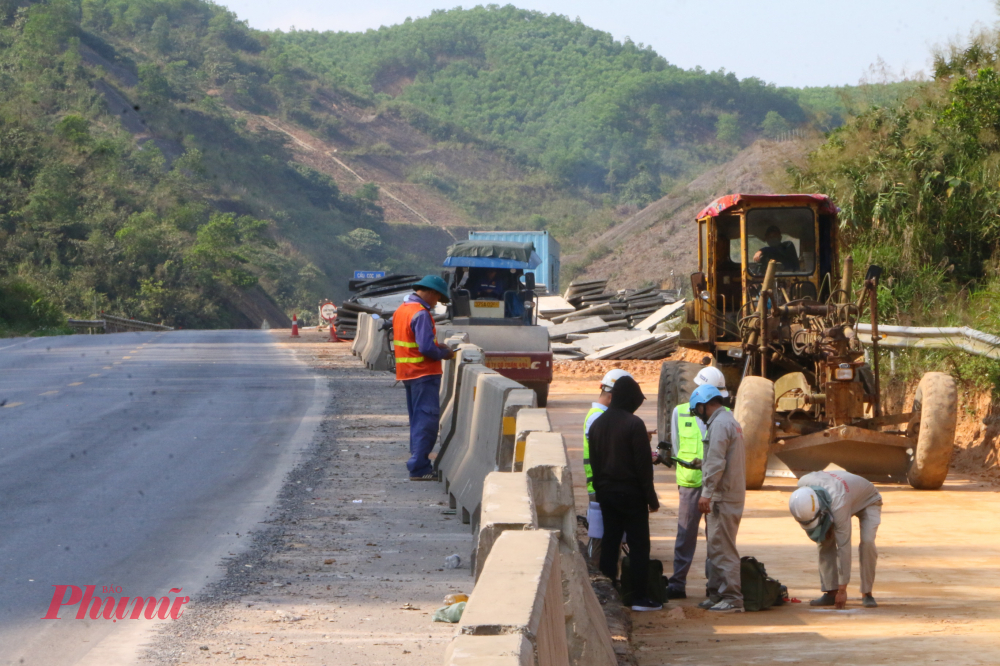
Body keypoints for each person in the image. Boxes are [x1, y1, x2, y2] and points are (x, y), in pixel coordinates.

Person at [589, 375, 662, 612]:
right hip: (632, 496)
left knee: (610, 542)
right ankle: (639, 597)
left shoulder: (597, 424)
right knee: (639, 545)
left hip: (606, 494)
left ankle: (609, 592)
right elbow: (643, 468)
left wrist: (601, 491)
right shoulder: (634, 424)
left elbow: (595, 462)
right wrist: (651, 499)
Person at [663, 366, 729, 600]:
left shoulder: (724, 415)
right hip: (690, 484)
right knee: (686, 535)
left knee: (716, 538)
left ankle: (714, 585)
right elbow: (677, 446)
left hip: (716, 486)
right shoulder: (680, 412)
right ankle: (678, 583)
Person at [391, 275, 455, 481]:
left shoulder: (402, 310)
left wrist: (437, 346)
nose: (436, 303)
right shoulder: (421, 313)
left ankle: (417, 462)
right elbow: (426, 348)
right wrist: (444, 353)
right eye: (437, 298)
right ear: (431, 292)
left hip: (408, 372)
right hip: (423, 373)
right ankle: (419, 467)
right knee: (426, 421)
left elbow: (413, 340)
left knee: (417, 420)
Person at [789, 470, 883, 609]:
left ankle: (867, 593)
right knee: (824, 540)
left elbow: (844, 546)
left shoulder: (838, 504)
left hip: (868, 500)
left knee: (867, 542)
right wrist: (824, 526)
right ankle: (830, 592)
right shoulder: (803, 486)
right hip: (845, 494)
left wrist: (842, 590)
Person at [691, 384, 746, 613]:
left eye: (698, 410)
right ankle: (716, 594)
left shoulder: (720, 424)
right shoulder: (728, 421)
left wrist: (706, 493)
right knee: (716, 546)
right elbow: (722, 458)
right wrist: (701, 464)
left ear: (703, 405)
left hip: (723, 496)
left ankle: (732, 598)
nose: (699, 415)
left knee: (723, 548)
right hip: (727, 493)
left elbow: (716, 462)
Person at [583, 369, 633, 560]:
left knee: (611, 537)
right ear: (612, 396)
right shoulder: (598, 417)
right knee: (600, 539)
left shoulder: (600, 415)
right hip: (600, 487)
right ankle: (596, 574)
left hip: (604, 485)